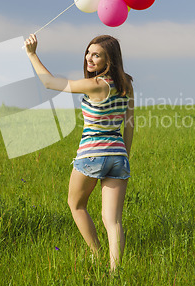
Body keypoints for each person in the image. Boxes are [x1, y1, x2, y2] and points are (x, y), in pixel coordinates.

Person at [24, 33, 134, 272]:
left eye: (97, 55)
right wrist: (124, 155)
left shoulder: (95, 85)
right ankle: (115, 272)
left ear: (109, 61)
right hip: (118, 156)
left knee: (76, 205)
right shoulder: (126, 84)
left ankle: (96, 255)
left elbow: (50, 83)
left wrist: (32, 54)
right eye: (88, 52)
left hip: (91, 155)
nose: (89, 58)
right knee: (113, 220)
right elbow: (129, 124)